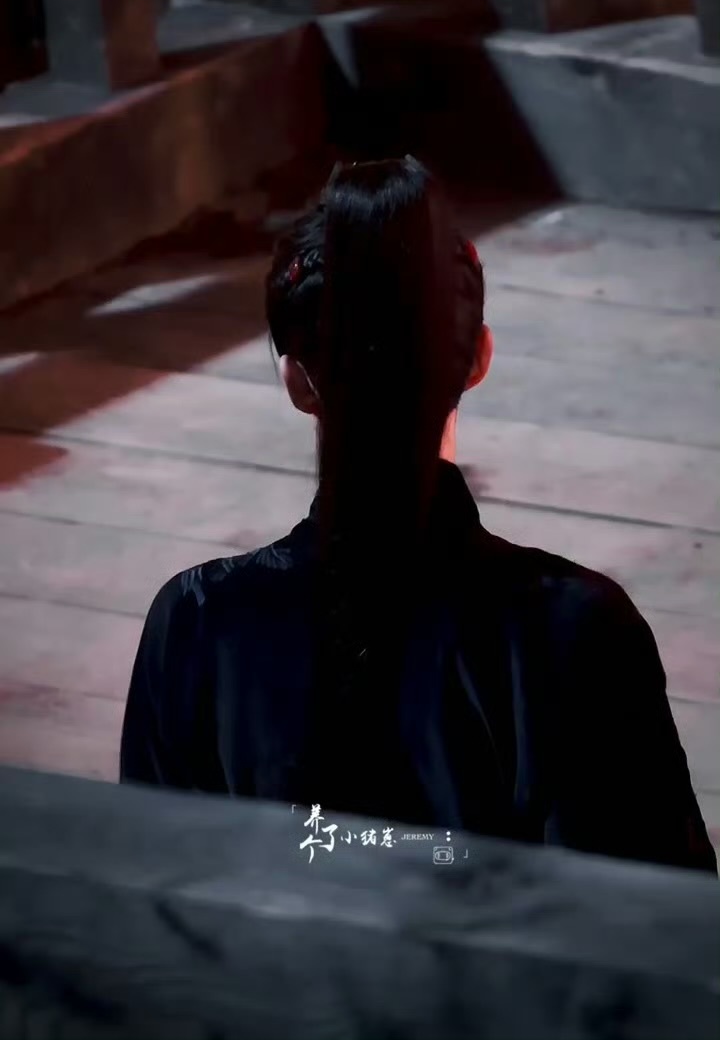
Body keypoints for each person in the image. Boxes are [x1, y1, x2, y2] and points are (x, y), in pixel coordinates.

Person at [120, 157, 716, 874]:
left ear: (296, 380)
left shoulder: (196, 624)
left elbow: (151, 893)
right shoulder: (578, 630)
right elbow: (655, 920)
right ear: (479, 359)